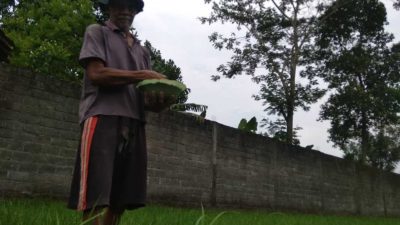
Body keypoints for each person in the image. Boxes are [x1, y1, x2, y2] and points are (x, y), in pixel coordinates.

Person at [68, 0, 169, 224]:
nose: (125, 11)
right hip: (102, 117)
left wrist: (162, 102)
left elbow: (143, 97)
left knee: (120, 197)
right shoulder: (97, 32)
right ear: (109, 8)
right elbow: (96, 74)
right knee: (96, 193)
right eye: (119, 5)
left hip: (134, 122)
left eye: (131, 7)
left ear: (136, 11)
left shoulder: (142, 51)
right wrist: (141, 75)